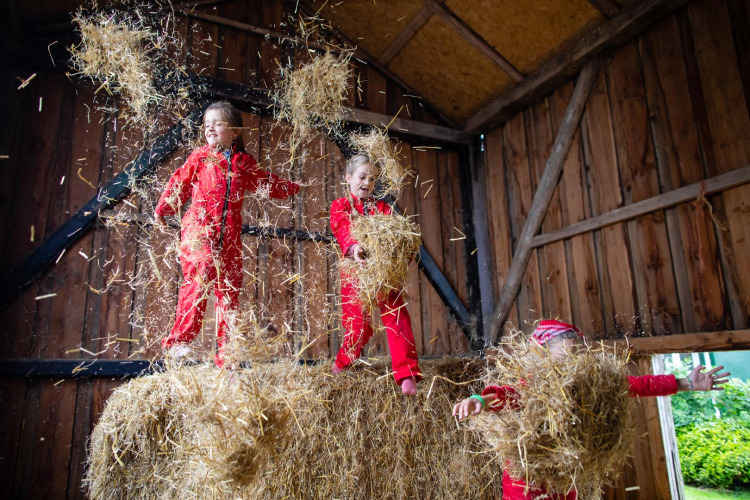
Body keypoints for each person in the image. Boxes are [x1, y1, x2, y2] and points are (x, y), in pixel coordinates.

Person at [452, 319, 730, 500]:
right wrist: (479, 400)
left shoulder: (587, 386)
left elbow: (635, 385)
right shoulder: (533, 385)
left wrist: (686, 383)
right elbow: (505, 395)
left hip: (564, 484)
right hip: (526, 486)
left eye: (577, 354)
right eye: (566, 354)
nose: (574, 362)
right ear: (542, 352)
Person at [154, 101, 299, 367]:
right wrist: (164, 208)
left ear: (235, 132)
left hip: (229, 236)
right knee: (202, 271)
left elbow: (265, 182)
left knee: (229, 289)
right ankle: (178, 342)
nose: (210, 129)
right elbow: (180, 181)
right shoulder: (200, 157)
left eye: (217, 124)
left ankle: (227, 356)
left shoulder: (243, 163)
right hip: (199, 229)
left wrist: (293, 187)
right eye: (207, 125)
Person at [329, 154, 422, 395]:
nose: (367, 183)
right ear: (348, 178)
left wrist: (405, 246)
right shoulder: (341, 205)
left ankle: (407, 374)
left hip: (383, 273)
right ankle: (341, 364)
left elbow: (396, 233)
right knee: (358, 327)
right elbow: (342, 227)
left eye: (372, 179)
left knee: (397, 318)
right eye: (362, 177)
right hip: (355, 273)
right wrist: (354, 247)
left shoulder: (382, 208)